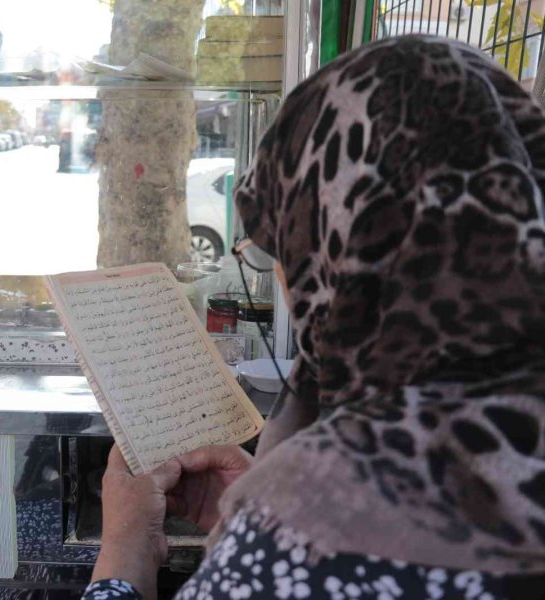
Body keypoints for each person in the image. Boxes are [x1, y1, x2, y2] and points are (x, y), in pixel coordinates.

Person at [83, 35, 545, 600]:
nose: (282, 276)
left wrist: (125, 550)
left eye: (281, 251)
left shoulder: (320, 530)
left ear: (336, 260)